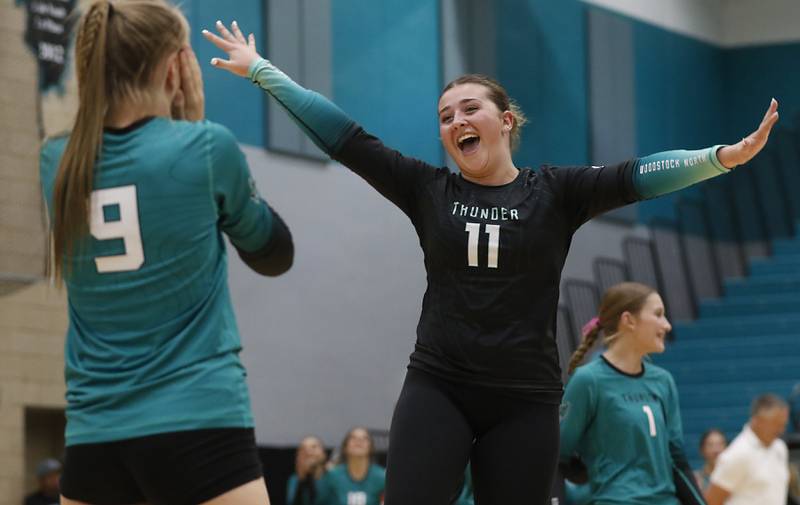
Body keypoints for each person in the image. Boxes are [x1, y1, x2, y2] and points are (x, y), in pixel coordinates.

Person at [203, 20, 778, 505]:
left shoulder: (557, 191)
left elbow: (641, 175)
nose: (455, 122)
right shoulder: (426, 188)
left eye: (469, 108)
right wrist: (260, 68)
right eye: (445, 115)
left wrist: (721, 158)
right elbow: (343, 138)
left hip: (525, 399)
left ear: (505, 120)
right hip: (440, 385)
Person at [40, 2, 293, 504]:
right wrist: (192, 126)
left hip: (95, 433)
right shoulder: (205, 148)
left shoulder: (55, 160)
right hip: (198, 418)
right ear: (176, 65)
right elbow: (273, 254)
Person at [559, 282, 705, 505]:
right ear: (628, 320)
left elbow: (676, 459)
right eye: (658, 315)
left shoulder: (662, 381)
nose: (666, 325)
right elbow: (558, 455)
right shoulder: (588, 381)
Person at [705, 394, 790, 505]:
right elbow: (712, 502)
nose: (781, 430)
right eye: (776, 425)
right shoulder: (737, 454)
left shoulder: (780, 448)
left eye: (783, 425)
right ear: (757, 420)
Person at [318, 427, 386, 505]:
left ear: (371, 447)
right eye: (353, 438)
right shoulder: (332, 476)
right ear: (345, 447)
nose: (359, 441)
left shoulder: (381, 477)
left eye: (364, 438)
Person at [287, 436, 329, 505]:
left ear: (323, 454)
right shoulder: (294, 480)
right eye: (303, 449)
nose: (308, 451)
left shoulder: (333, 478)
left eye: (314, 447)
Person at [693, 429, 727, 493]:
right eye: (710, 445)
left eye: (720, 444)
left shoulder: (735, 480)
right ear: (702, 450)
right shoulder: (694, 480)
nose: (716, 450)